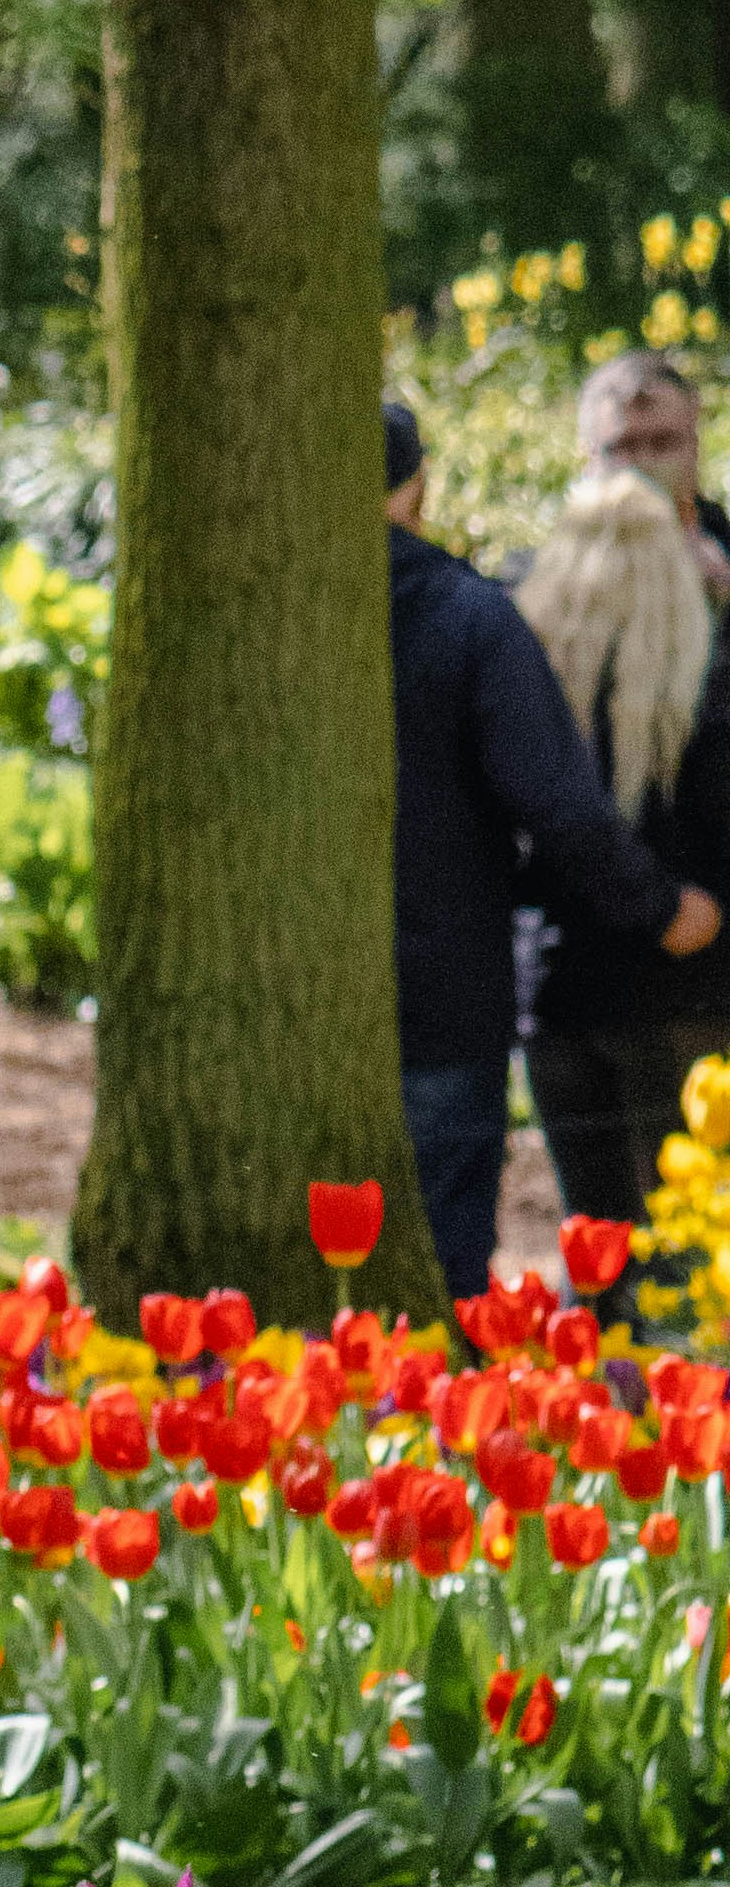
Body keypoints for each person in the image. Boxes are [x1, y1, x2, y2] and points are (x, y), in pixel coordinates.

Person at [385, 396, 718, 1297]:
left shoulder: (515, 613)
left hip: (539, 983)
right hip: (557, 982)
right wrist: (664, 908)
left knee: (596, 1247)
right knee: (657, 1259)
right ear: (417, 485)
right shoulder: (476, 617)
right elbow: (556, 805)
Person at [516, 461, 730, 1253]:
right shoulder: (705, 675)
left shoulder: (526, 678)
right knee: (685, 1247)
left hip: (557, 991)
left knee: (595, 1246)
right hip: (686, 991)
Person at [576, 350, 730, 611]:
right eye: (624, 447)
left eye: (664, 443)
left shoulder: (723, 562)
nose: (644, 464)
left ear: (694, 449)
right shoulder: (540, 577)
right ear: (589, 457)